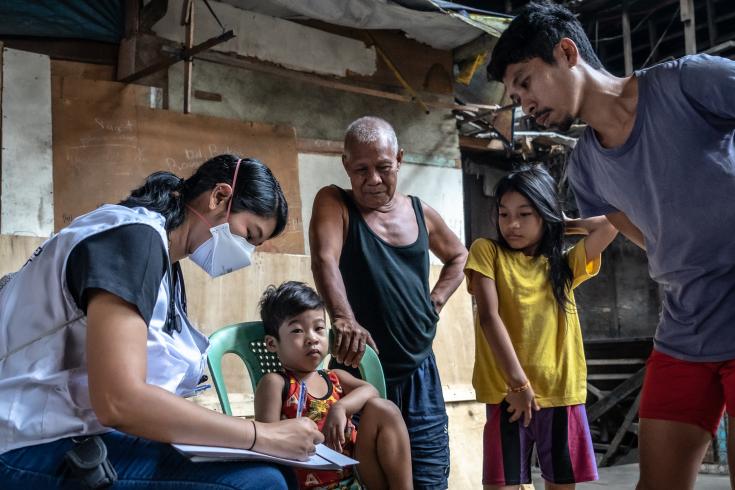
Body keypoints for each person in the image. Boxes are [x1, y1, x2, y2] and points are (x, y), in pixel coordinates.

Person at [487, 3, 735, 490]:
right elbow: (648, 236)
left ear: (566, 52)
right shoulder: (585, 169)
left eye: (526, 81)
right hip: (685, 330)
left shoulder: (686, 82)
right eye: (515, 95)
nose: (523, 103)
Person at [0, 154, 324, 489]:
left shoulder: (161, 257)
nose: (245, 254)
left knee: (273, 471)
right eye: (248, 235)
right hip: (24, 440)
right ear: (220, 197)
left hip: (68, 427)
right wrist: (260, 434)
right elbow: (118, 400)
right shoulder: (133, 239)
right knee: (260, 482)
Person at [309, 116, 468, 489]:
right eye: (361, 169)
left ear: (399, 159)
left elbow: (459, 257)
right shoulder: (336, 203)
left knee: (428, 479)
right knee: (362, 482)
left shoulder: (420, 211)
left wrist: (436, 302)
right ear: (346, 165)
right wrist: (343, 317)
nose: (373, 179)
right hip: (359, 376)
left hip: (420, 374)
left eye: (383, 167)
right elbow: (324, 258)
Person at [464, 166, 617, 489]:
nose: (512, 224)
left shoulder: (562, 264)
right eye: (504, 214)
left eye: (525, 214)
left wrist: (558, 224)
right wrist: (519, 386)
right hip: (508, 393)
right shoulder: (487, 251)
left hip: (559, 391)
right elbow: (490, 317)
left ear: (544, 215)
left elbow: (608, 224)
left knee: (560, 484)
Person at [254, 281, 413, 490]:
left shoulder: (334, 377)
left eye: (318, 328)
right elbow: (267, 444)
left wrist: (341, 407)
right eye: (297, 331)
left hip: (356, 476)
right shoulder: (276, 383)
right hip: (303, 483)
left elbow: (371, 390)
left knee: (384, 409)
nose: (312, 338)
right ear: (272, 344)